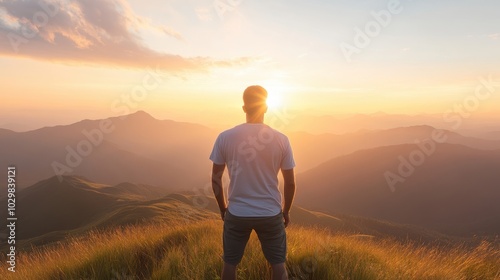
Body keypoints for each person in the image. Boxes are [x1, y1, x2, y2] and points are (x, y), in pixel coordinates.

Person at [210, 85, 296, 280]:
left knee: (230, 264)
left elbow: (215, 179)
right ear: (266, 107)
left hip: (237, 211)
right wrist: (286, 211)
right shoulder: (282, 140)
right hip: (270, 212)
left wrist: (223, 208)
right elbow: (290, 183)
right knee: (279, 266)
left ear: (243, 108)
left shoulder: (225, 137)